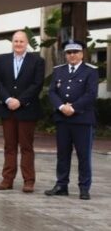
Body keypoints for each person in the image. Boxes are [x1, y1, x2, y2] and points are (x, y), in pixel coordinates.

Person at [45, 40, 98, 201]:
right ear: (65, 55)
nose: (72, 55)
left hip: (82, 119)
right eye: (69, 53)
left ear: (82, 53)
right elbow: (52, 92)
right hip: (63, 119)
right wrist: (62, 107)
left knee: (83, 155)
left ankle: (84, 187)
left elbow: (91, 94)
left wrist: (73, 107)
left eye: (75, 52)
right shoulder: (59, 71)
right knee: (63, 154)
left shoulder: (90, 71)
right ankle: (61, 185)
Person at [0, 30, 45, 193]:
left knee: (26, 147)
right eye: (15, 41)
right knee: (9, 146)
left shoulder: (37, 61)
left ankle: (29, 180)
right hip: (7, 109)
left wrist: (20, 101)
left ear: (27, 43)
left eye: (21, 41)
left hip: (27, 109)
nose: (18, 44)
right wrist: (8, 99)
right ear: (12, 43)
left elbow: (37, 84)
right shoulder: (2, 60)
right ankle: (7, 179)